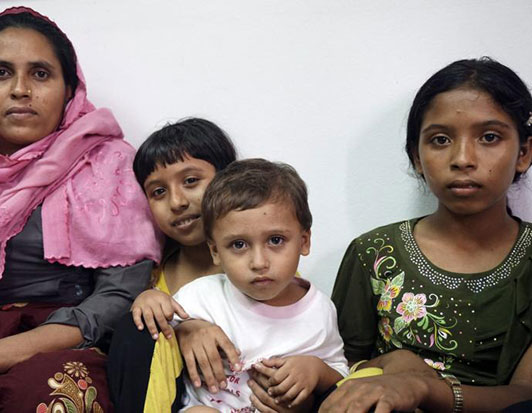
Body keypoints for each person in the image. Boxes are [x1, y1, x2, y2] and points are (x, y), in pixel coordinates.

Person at [0, 7, 161, 413]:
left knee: (51, 395)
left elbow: (120, 296)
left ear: (69, 90)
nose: (20, 89)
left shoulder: (109, 163)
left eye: (41, 74)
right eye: (1, 73)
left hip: (60, 338)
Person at [321, 58, 532, 412]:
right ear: (416, 157)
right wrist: (394, 362)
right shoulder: (374, 253)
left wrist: (424, 388)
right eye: (440, 139)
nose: (463, 158)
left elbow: (527, 395)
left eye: (489, 137)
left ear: (523, 153)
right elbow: (335, 371)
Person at [173, 158, 349, 412]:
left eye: (275, 240)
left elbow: (340, 375)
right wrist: (183, 327)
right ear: (215, 251)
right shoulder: (202, 295)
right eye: (239, 245)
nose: (259, 262)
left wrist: (316, 370)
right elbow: (151, 334)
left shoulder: (319, 310)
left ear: (304, 241)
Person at [106, 118, 238, 412]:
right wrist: (176, 326)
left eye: (191, 181)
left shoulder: (260, 265)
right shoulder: (150, 275)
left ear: (228, 180)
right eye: (158, 192)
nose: (176, 202)